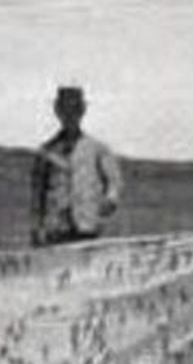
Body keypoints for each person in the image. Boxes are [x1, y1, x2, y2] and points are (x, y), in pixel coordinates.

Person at [30, 86, 123, 246]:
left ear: (82, 112)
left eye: (74, 110)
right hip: (55, 229)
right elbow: (37, 195)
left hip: (87, 227)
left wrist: (111, 198)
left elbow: (114, 181)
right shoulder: (46, 151)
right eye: (65, 110)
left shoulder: (97, 149)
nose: (70, 115)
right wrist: (36, 228)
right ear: (58, 112)